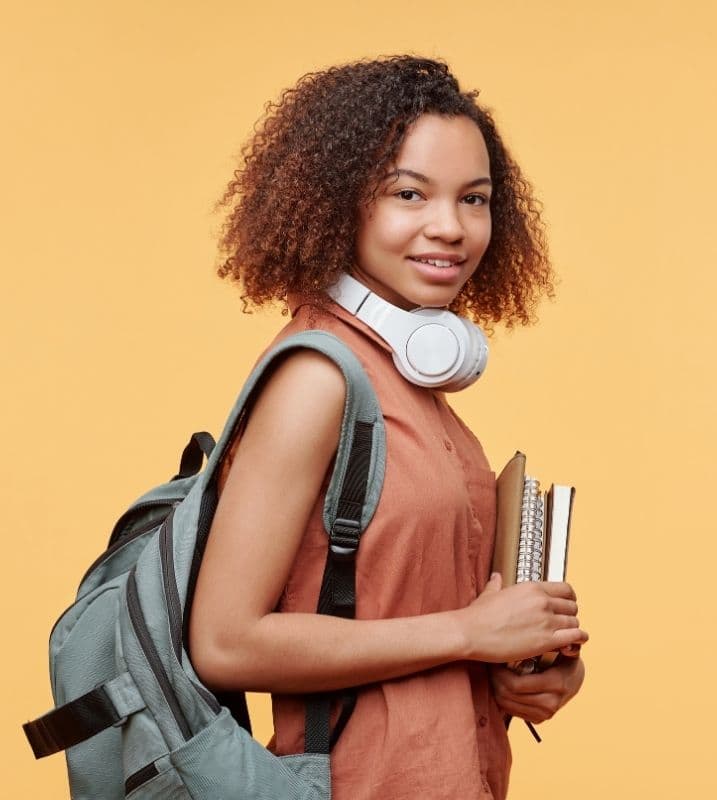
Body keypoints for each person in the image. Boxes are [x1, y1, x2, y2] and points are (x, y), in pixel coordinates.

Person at [188, 55, 588, 800]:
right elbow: (224, 640)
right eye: (409, 193)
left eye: (475, 199)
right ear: (339, 204)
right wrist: (470, 633)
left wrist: (528, 670)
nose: (451, 227)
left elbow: (418, 608)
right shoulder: (317, 380)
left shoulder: (414, 377)